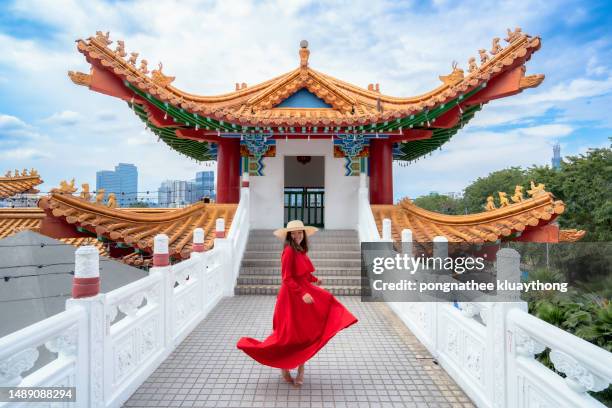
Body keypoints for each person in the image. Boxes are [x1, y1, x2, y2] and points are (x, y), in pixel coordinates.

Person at [236, 220, 358, 386]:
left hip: (303, 295)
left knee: (304, 334)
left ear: (303, 234)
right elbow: (287, 278)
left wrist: (315, 279)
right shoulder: (288, 251)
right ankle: (284, 368)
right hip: (291, 298)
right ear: (289, 235)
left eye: (300, 233)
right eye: (293, 233)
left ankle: (301, 369)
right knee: (288, 336)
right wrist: (302, 294)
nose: (297, 236)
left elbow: (303, 273)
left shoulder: (301, 250)